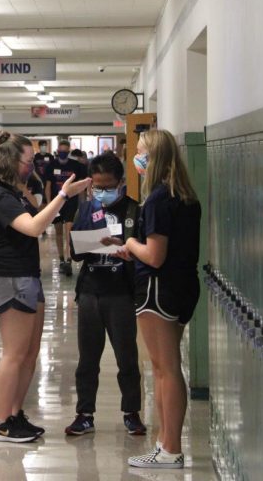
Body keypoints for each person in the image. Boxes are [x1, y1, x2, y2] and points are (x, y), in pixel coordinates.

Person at [0, 131, 90, 443]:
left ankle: (15, 414)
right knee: (14, 354)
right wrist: (63, 196)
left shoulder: (15, 191)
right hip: (10, 277)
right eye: (28, 162)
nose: (32, 167)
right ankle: (0, 422)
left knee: (29, 353)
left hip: (28, 275)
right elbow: (33, 228)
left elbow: (37, 215)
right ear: (11, 161)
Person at [111, 130, 201, 469]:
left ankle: (170, 448)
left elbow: (155, 255)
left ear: (156, 157)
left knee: (165, 370)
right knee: (166, 368)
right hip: (181, 287)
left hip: (157, 291)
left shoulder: (160, 199)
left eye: (143, 152)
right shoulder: (185, 196)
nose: (138, 158)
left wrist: (130, 245)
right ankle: (165, 443)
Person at [65, 152, 146, 437]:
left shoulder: (134, 211)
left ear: (121, 183)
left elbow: (145, 255)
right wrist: (91, 242)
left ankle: (132, 412)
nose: (102, 192)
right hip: (90, 292)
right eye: (96, 187)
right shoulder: (86, 209)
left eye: (108, 186)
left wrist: (123, 248)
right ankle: (84, 414)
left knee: (127, 358)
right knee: (88, 359)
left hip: (121, 294)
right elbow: (75, 252)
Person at [44, 139, 88, 277]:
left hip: (71, 202)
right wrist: (50, 203)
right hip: (57, 203)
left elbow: (81, 187)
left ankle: (69, 259)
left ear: (68, 152)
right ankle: (61, 258)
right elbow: (48, 186)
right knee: (58, 232)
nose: (62, 154)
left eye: (65, 152)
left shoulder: (76, 165)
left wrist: (82, 204)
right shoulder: (52, 165)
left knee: (69, 230)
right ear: (57, 152)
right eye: (60, 152)